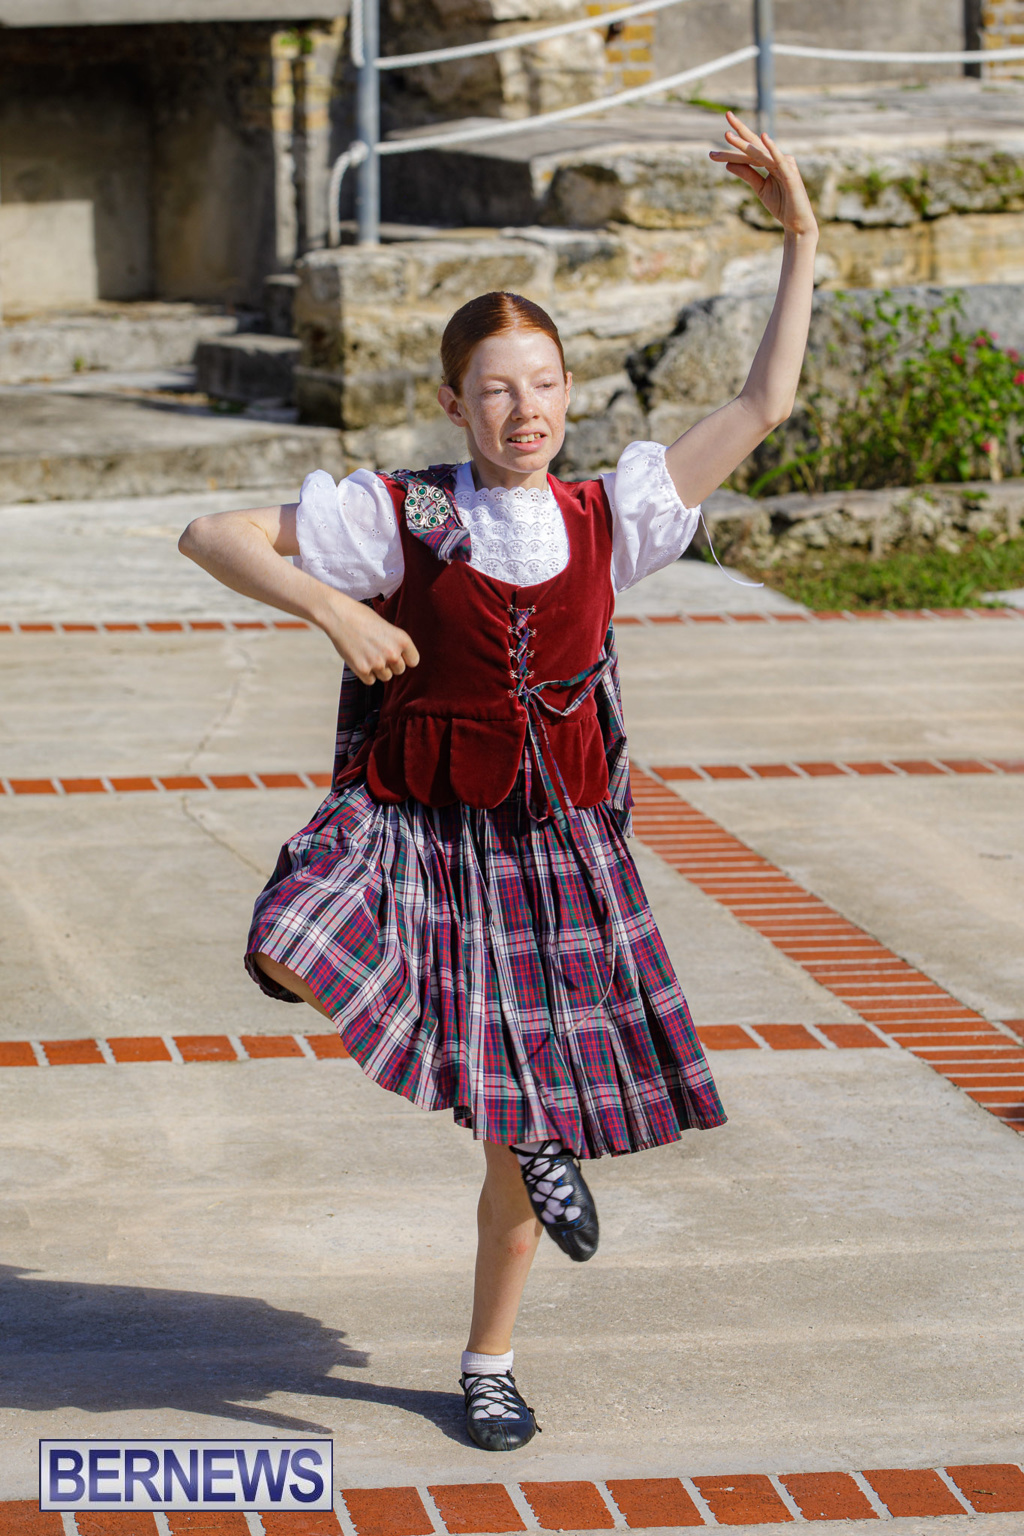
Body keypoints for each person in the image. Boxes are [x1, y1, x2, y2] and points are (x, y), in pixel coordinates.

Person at [179, 112, 818, 1452]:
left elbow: (765, 405)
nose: (523, 411)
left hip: (556, 854)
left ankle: (490, 1357)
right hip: (414, 826)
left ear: (568, 395)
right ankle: (512, 1108)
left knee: (514, 1154)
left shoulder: (614, 515)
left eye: (543, 386)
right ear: (455, 402)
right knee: (288, 941)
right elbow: (212, 530)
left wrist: (800, 237)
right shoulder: (404, 515)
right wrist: (331, 610)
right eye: (495, 390)